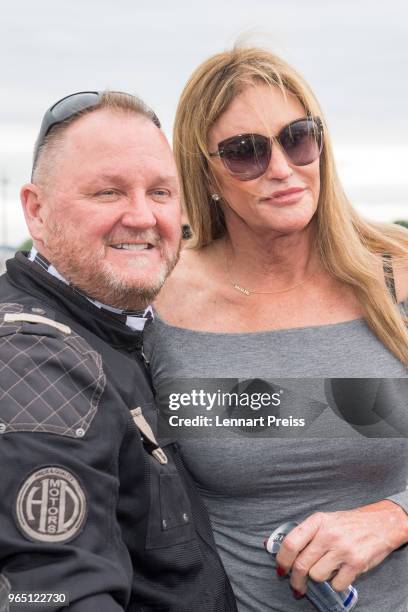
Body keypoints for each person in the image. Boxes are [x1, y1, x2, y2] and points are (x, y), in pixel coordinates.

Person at [143, 47, 408, 611]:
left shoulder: (397, 271)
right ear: (205, 171)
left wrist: (395, 517)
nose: (283, 168)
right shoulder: (158, 299)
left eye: (298, 136)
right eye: (245, 153)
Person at [0, 91, 237, 612]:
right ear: (35, 211)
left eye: (161, 193)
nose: (142, 216)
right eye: (108, 192)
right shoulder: (34, 359)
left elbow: (267, 412)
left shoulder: (121, 328)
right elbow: (53, 590)